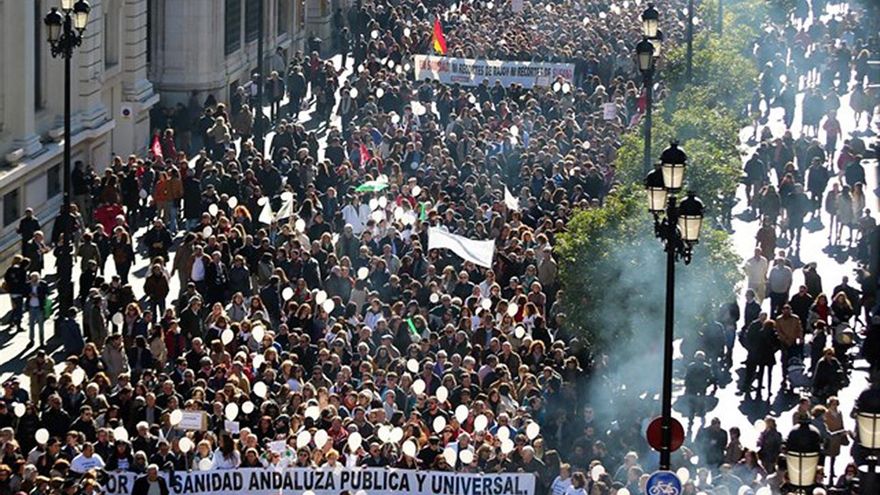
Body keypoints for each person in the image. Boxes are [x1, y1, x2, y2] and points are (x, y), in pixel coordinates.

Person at [25, 272, 49, 346]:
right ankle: (31, 340)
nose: (34, 280)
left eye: (35, 278)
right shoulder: (28, 285)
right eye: (32, 278)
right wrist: (29, 294)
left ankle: (42, 341)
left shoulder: (43, 284)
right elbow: (24, 293)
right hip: (31, 307)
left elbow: (46, 293)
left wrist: (38, 295)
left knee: (41, 325)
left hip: (39, 307)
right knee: (31, 325)